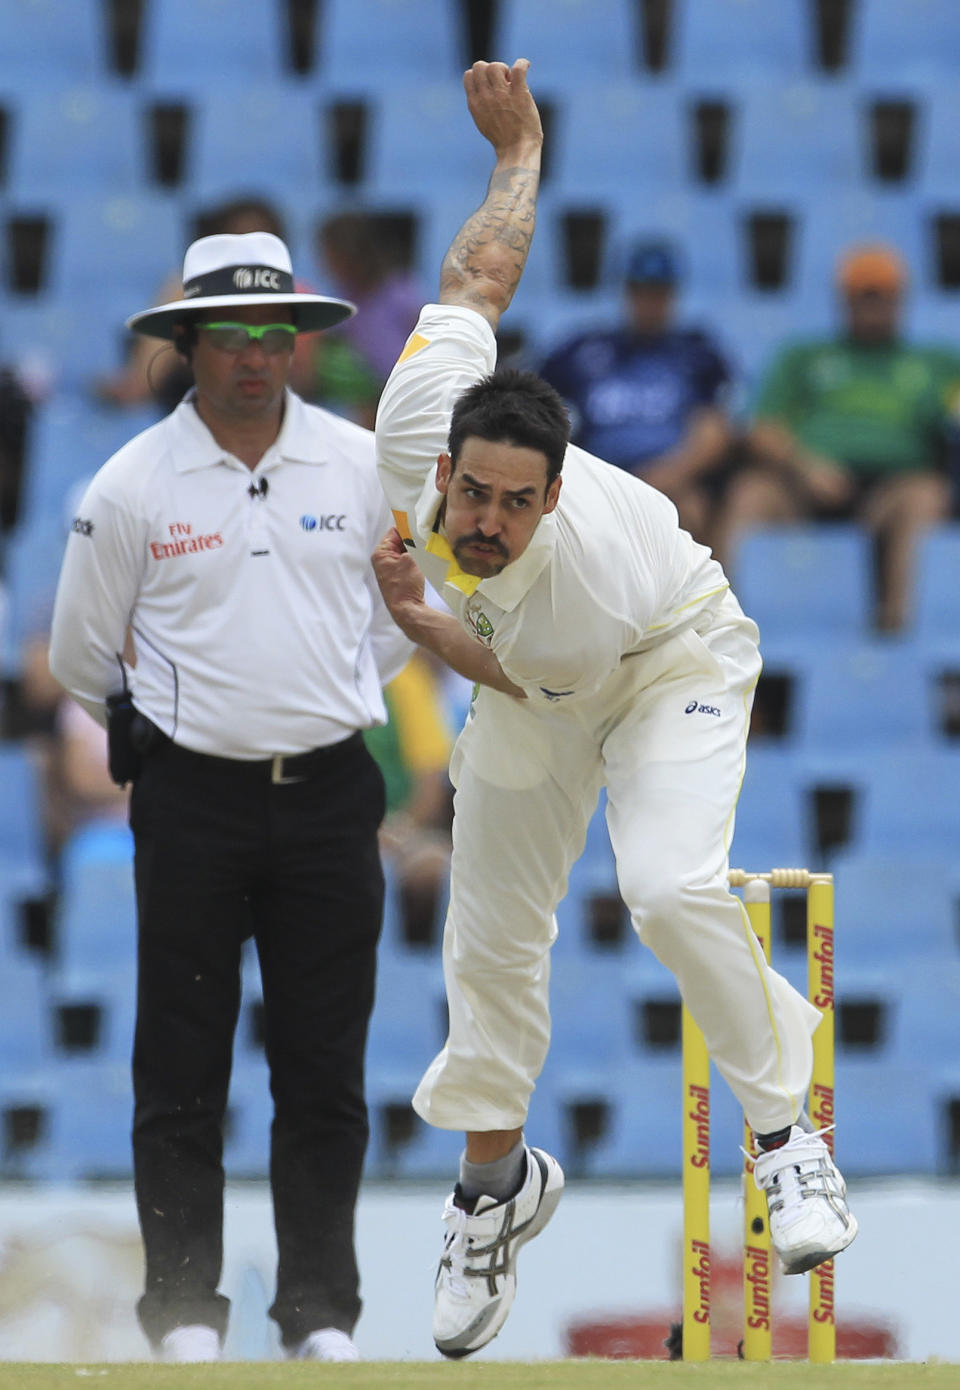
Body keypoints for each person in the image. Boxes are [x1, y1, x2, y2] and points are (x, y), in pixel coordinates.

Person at [372, 60, 858, 1360]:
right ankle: (492, 1193)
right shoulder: (419, 418)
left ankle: (786, 1138)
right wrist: (519, 151)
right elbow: (479, 280)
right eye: (469, 493)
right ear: (448, 460)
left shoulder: (571, 568)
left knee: (661, 884)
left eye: (510, 506)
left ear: (550, 503)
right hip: (532, 671)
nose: (479, 520)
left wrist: (426, 622)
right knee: (488, 931)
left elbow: (530, 678)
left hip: (663, 659)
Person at [48, 230, 412, 1363]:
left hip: (328, 795)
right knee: (181, 1063)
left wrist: (317, 694)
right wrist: (185, 719)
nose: (254, 359)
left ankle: (319, 1315)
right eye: (229, 338)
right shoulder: (132, 484)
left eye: (272, 337)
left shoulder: (360, 467)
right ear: (188, 346)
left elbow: (401, 621)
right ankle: (185, 1314)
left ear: (297, 345)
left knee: (323, 1068)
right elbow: (78, 655)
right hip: (192, 800)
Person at [717, 243, 960, 630]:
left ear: (901, 299)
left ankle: (898, 629)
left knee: (925, 496)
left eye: (884, 296)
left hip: (888, 494)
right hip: (804, 488)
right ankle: (721, 625)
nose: (874, 306)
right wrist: (805, 466)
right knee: (751, 493)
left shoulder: (936, 362)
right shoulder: (804, 356)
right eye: (864, 296)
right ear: (844, 300)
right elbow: (760, 428)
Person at [539, 237, 734, 552]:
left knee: (687, 512)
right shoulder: (584, 351)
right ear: (627, 292)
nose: (649, 302)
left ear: (673, 295)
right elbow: (532, 404)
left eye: (659, 292)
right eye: (640, 290)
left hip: (671, 481)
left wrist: (667, 475)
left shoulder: (696, 353)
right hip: (595, 479)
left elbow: (714, 432)